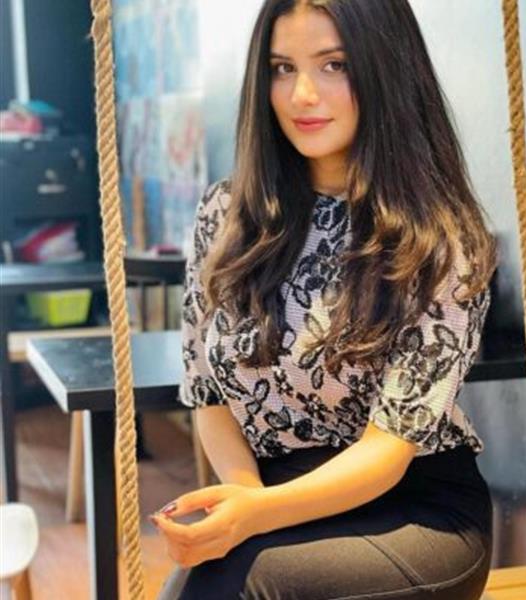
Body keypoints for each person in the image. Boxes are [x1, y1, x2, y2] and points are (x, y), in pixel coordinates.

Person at [151, 0, 499, 598]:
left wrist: (255, 517)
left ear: (385, 69)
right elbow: (208, 393)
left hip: (413, 510)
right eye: (282, 68)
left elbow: (388, 449)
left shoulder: (442, 239)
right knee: (214, 577)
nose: (302, 95)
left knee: (239, 584)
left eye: (334, 65)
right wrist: (245, 500)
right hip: (276, 491)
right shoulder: (225, 214)